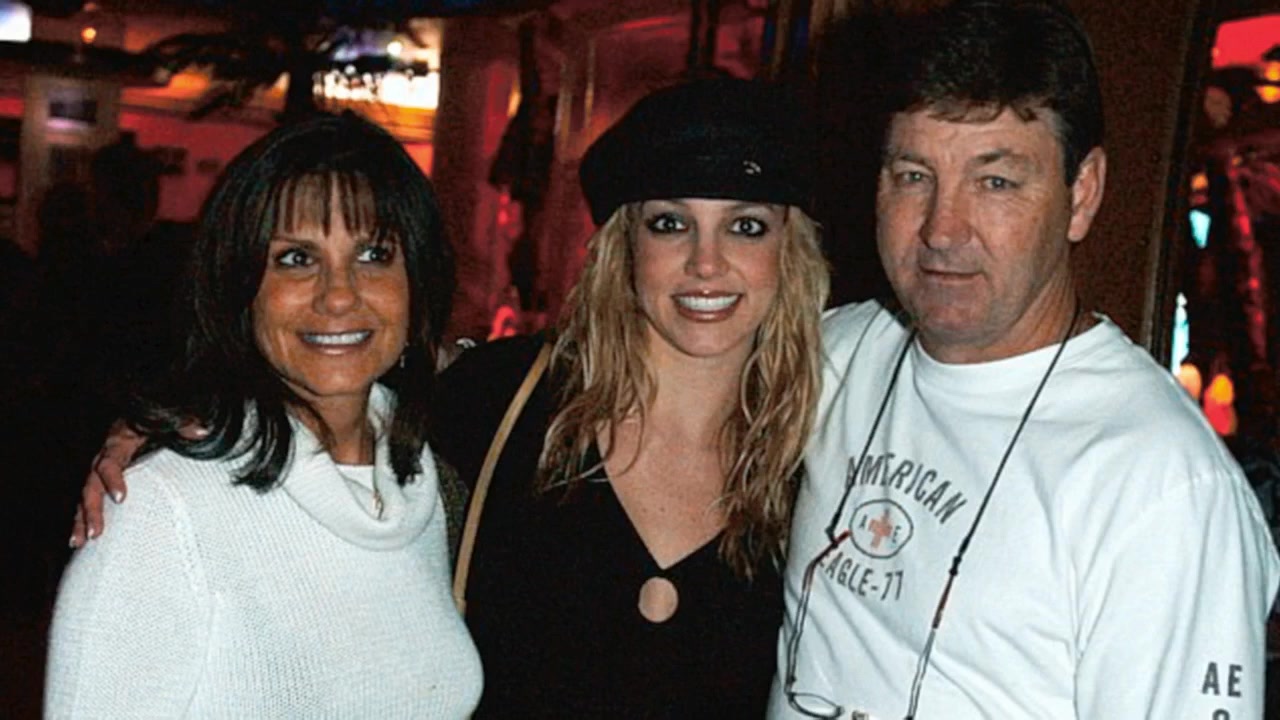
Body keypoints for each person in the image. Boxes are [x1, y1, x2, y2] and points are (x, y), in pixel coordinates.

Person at [71, 78, 830, 717]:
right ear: (623, 245)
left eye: (747, 226)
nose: (706, 263)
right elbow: (340, 372)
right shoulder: (503, 400)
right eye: (670, 224)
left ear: (789, 250)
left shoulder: (831, 439)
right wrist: (174, 428)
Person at [770, 1, 1280, 718]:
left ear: (1082, 194)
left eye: (996, 182)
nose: (942, 229)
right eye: (914, 176)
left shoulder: (1161, 486)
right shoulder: (836, 356)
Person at [46, 113, 482, 717]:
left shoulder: (427, 489)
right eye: (296, 258)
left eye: (374, 254)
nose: (339, 294)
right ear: (241, 289)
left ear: (417, 284)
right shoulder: (163, 512)